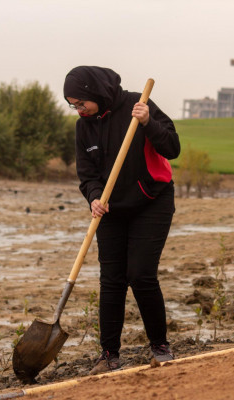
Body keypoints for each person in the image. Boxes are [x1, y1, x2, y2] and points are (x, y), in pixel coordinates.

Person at [63, 66, 181, 375]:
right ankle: (109, 354)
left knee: (140, 274)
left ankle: (160, 346)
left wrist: (148, 122)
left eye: (80, 102)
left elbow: (172, 147)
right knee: (111, 279)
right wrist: (94, 197)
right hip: (110, 208)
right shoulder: (83, 127)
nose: (78, 109)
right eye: (73, 105)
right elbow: (87, 174)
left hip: (151, 201)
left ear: (94, 93)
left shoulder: (137, 104)